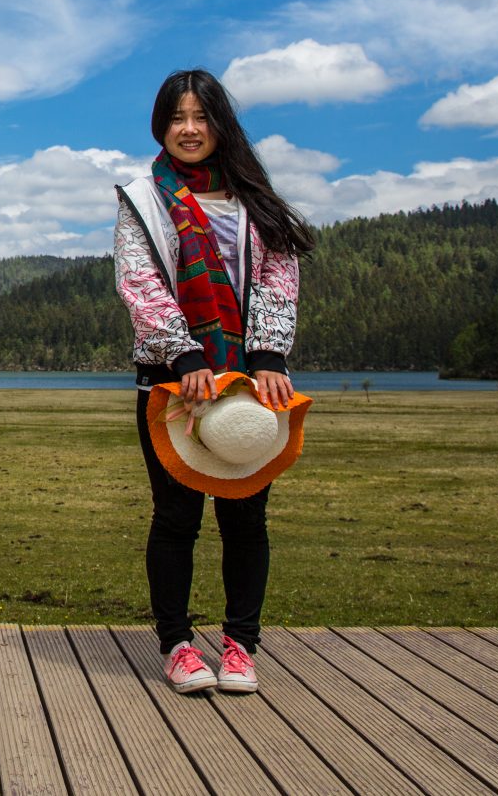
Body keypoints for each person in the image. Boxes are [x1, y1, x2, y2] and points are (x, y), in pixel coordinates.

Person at [113, 68, 313, 694]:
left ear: (220, 123)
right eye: (177, 118)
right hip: (171, 382)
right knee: (176, 517)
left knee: (246, 518)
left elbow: (279, 278)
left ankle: (240, 645)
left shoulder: (255, 197)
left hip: (251, 382)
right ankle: (176, 645)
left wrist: (270, 358)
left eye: (201, 117)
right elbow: (139, 281)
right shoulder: (143, 198)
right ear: (160, 126)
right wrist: (183, 357)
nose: (189, 130)